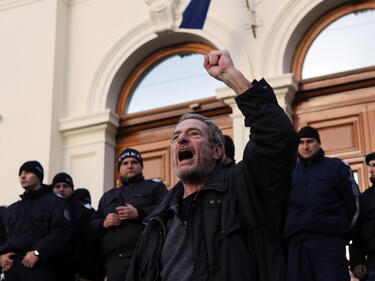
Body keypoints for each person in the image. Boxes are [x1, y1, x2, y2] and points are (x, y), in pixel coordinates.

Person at [125, 50, 299, 281]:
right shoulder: (157, 220)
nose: (182, 140)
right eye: (176, 137)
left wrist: (233, 78)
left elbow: (277, 138)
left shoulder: (243, 188)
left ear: (218, 150)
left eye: (193, 133)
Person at [284, 126, 360, 281]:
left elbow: (354, 204)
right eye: (301, 142)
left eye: (310, 142)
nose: (305, 147)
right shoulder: (289, 173)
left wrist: (342, 232)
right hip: (297, 247)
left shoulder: (337, 167)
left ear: (318, 143)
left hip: (329, 244)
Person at [90, 148, 168, 281]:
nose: (130, 165)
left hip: (146, 257)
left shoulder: (155, 187)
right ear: (119, 169)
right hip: (115, 262)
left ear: (141, 166)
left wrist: (139, 213)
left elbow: (166, 210)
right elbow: (91, 224)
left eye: (134, 162)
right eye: (125, 163)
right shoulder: (108, 195)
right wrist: (104, 223)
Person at [0, 161, 71, 281]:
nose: (22, 176)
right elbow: (2, 234)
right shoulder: (14, 208)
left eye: (27, 172)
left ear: (38, 176)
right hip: (12, 269)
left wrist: (38, 252)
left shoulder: (54, 202)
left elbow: (61, 231)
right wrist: (1, 255)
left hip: (39, 267)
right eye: (20, 173)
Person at [52, 172, 101, 281]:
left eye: (65, 186)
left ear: (72, 189)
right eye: (57, 186)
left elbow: (90, 243)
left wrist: (86, 273)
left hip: (75, 271)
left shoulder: (81, 211)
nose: (61, 189)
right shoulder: (47, 208)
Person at [350, 152, 375, 281]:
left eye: (374, 165)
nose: (370, 170)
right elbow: (357, 233)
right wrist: (357, 261)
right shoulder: (364, 199)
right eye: (370, 166)